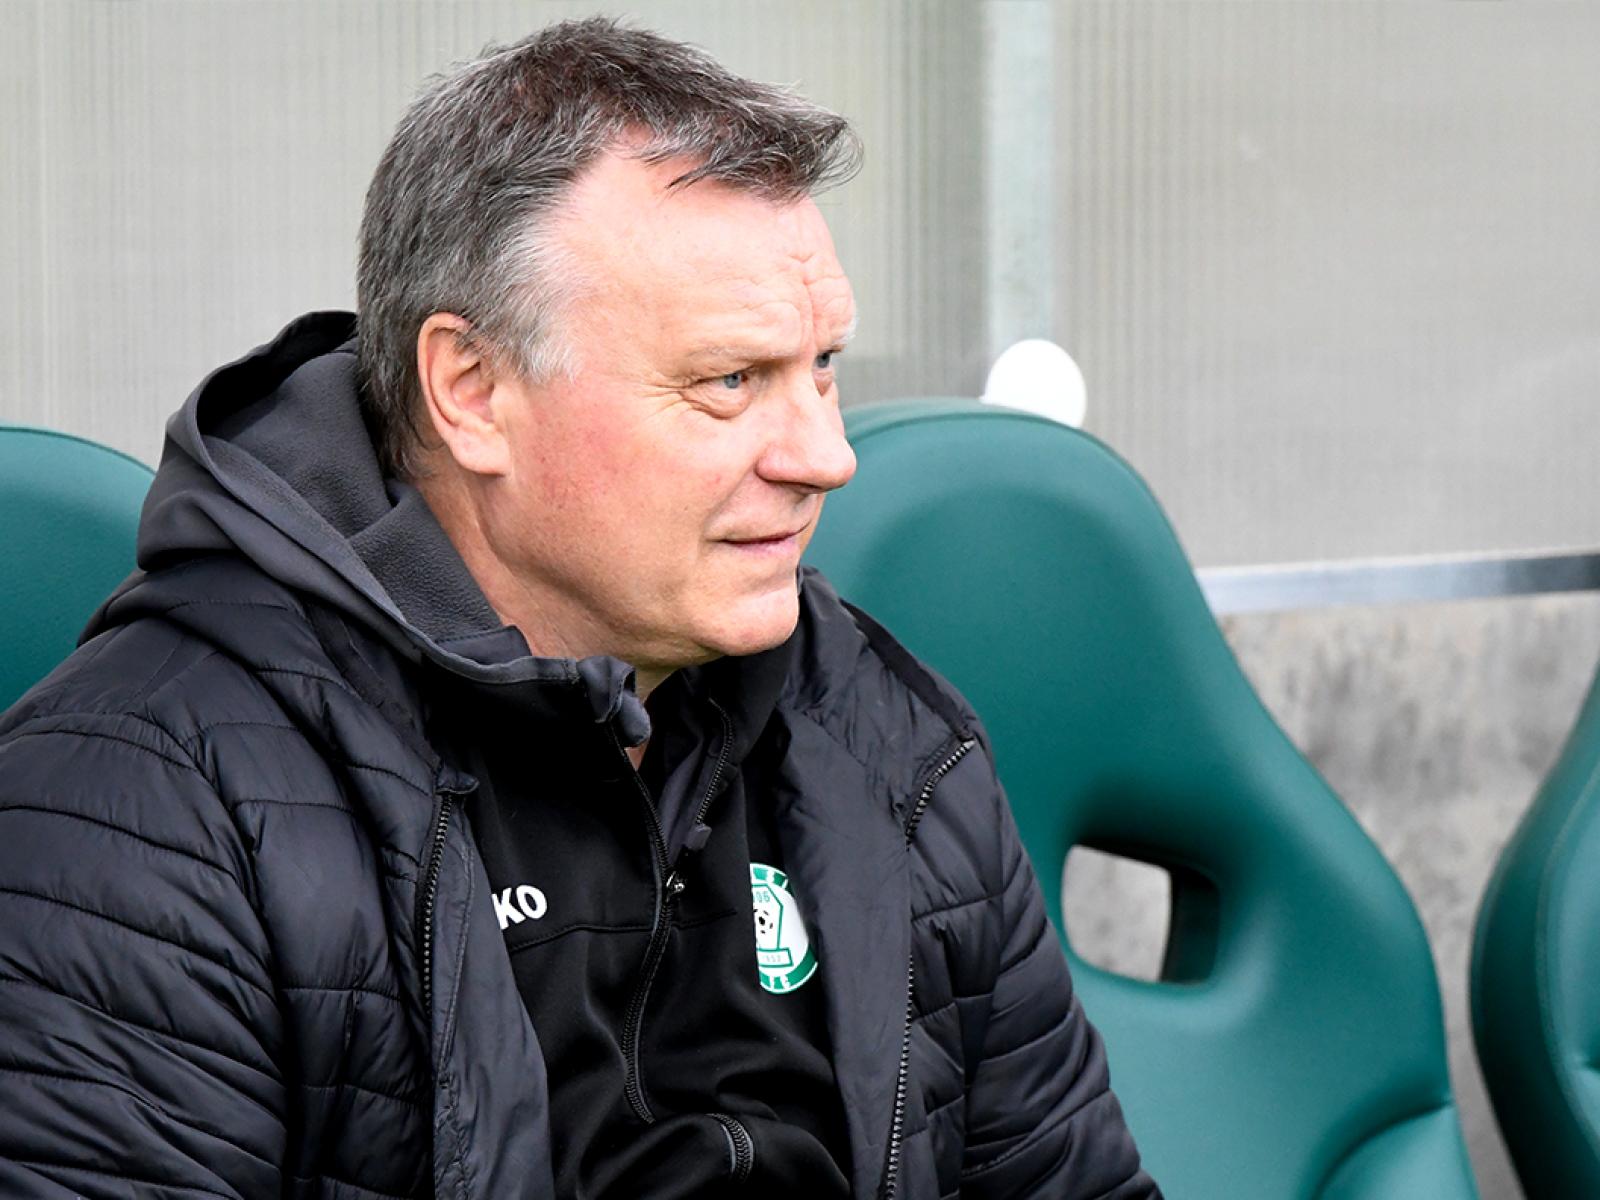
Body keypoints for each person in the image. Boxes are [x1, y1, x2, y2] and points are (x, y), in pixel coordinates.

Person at [0, 18, 1159, 1199]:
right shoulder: (145, 811)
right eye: (730, 380)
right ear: (472, 391)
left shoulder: (886, 739)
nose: (825, 454)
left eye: (822, 367)